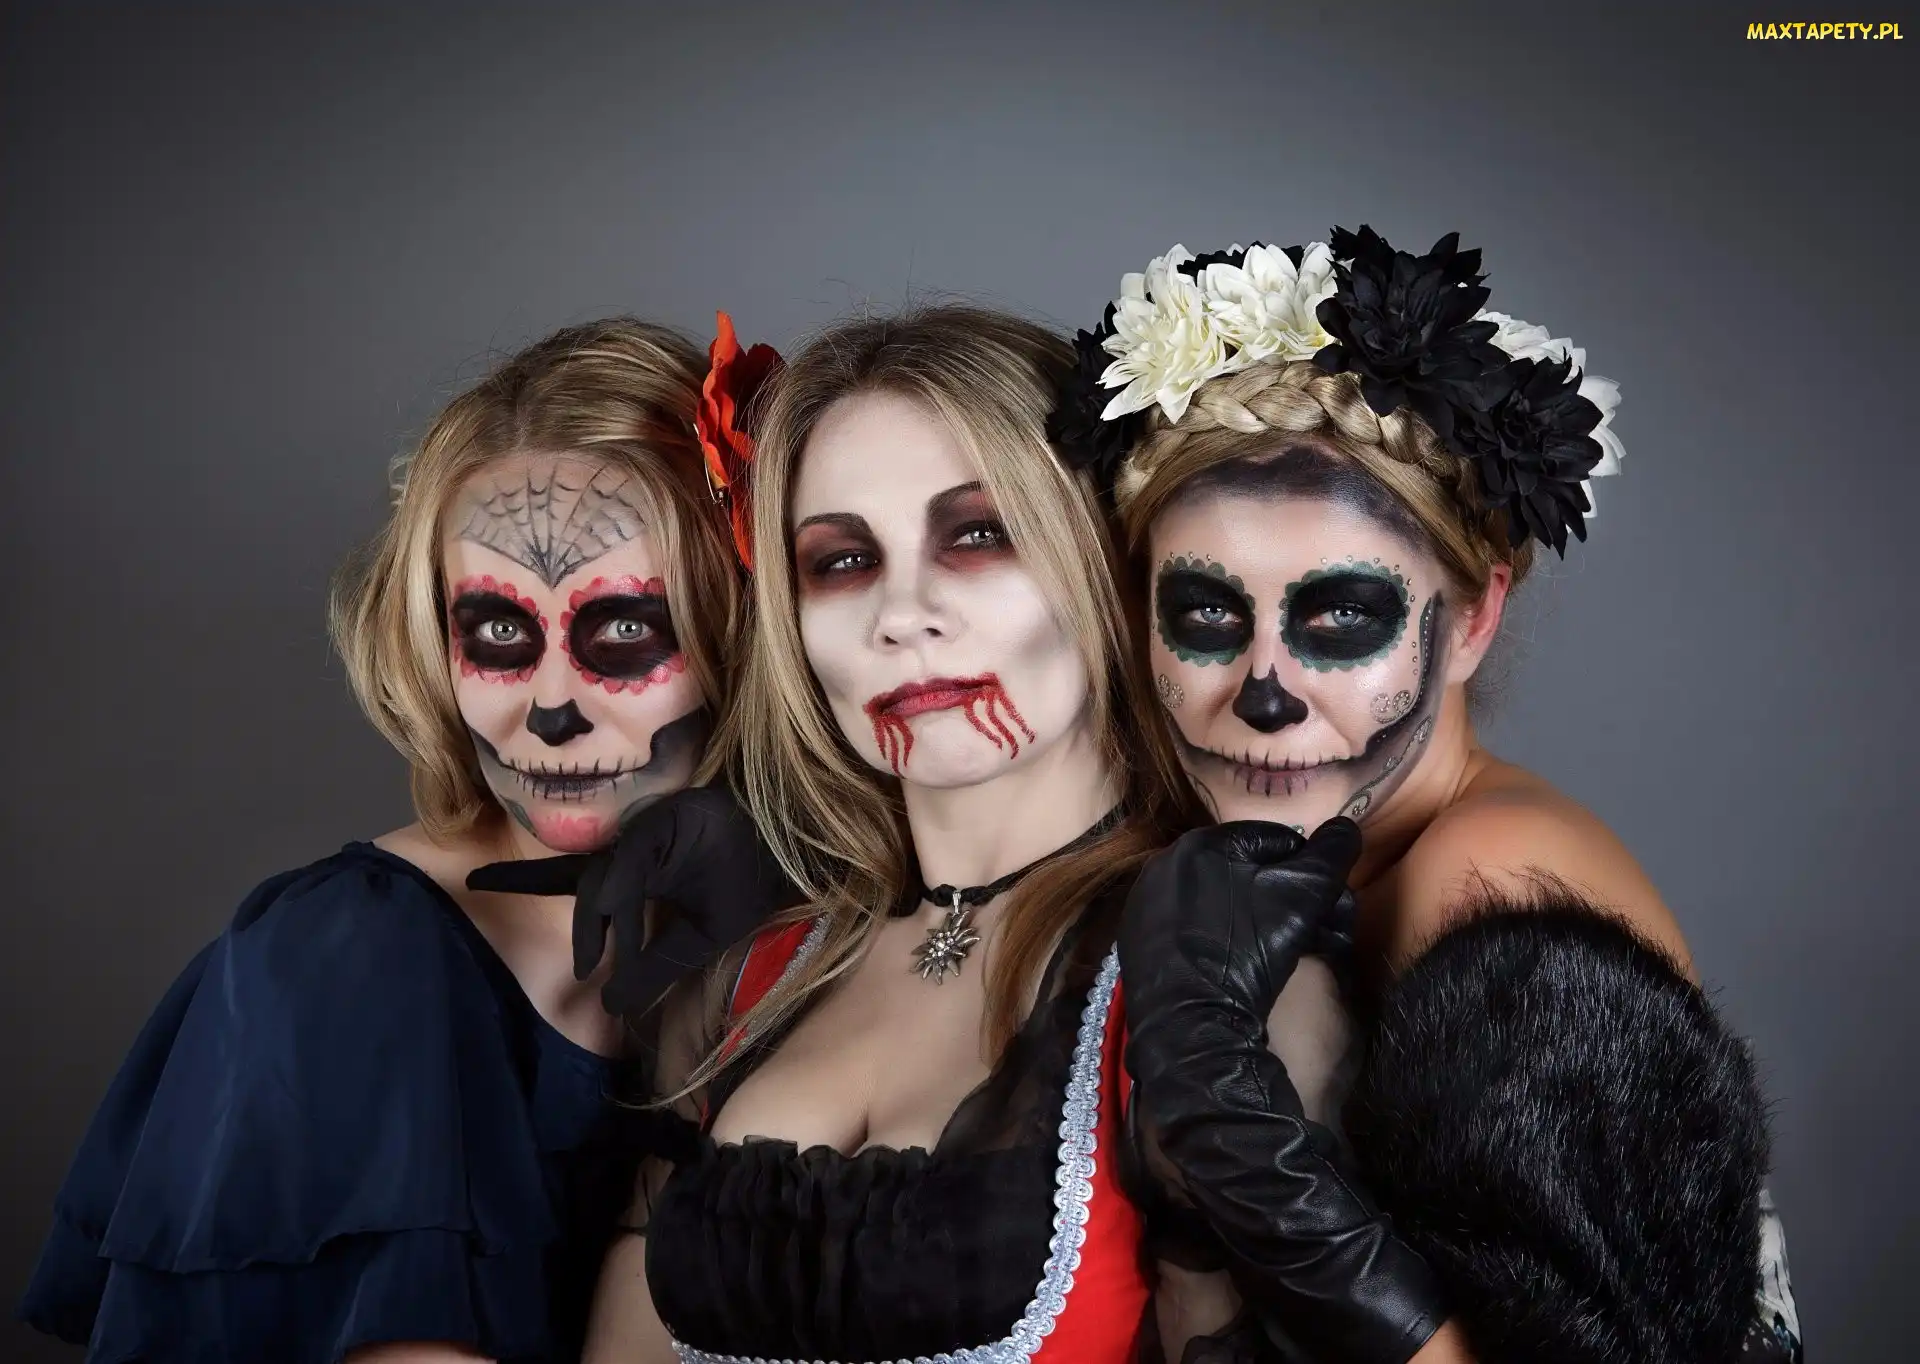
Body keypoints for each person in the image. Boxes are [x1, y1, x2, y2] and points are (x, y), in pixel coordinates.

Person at [559, 303, 1474, 1363]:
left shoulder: (1208, 986)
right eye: (841, 561)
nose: (901, 613)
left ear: (1100, 564)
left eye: (977, 536)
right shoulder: (751, 975)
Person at [1052, 228, 1802, 1363]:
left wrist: (1221, 1111)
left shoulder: (1494, 885)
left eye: (1340, 618)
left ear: (1475, 618)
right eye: (1207, 613)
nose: (1264, 695)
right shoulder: (1271, 862)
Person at [19, 318, 745, 1364]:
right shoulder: (346, 959)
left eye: (627, 628)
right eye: (499, 632)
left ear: (747, 629)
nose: (551, 709)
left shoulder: (804, 935)